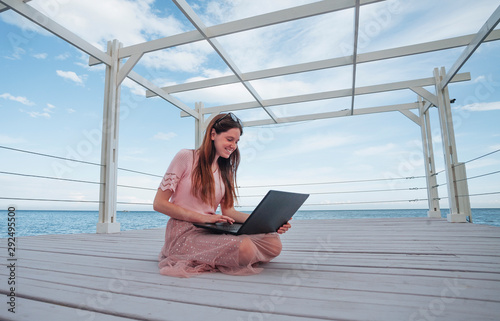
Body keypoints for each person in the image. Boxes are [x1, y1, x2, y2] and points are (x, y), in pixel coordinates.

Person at [153, 113, 291, 278]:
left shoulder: (225, 171)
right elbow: (159, 203)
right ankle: (231, 254)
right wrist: (203, 218)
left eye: (236, 142)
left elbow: (229, 212)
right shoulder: (186, 157)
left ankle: (226, 254)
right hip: (183, 233)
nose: (233, 145)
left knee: (274, 243)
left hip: (210, 229)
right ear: (213, 135)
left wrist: (269, 223)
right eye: (229, 139)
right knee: (245, 247)